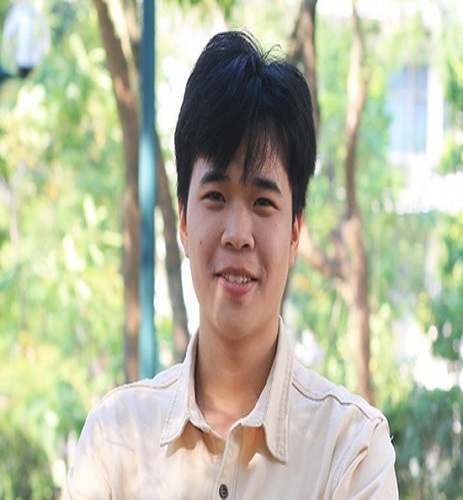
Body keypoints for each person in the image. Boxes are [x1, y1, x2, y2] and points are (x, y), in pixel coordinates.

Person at [65, 30, 398, 499]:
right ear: (183, 221)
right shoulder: (114, 440)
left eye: (263, 202)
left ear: (295, 233)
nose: (238, 234)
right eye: (216, 196)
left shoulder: (352, 450)